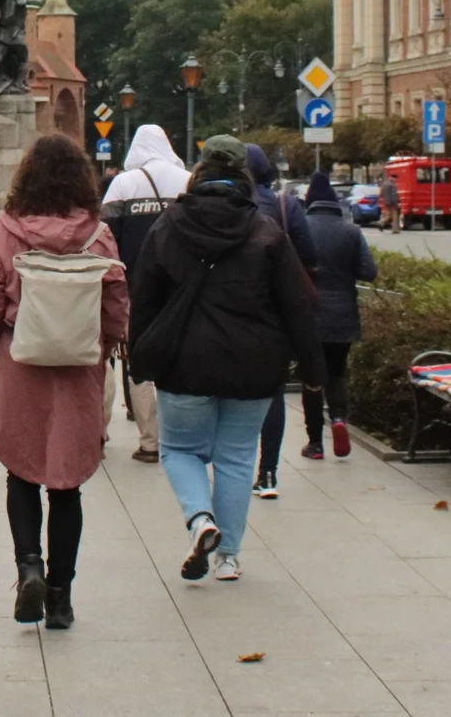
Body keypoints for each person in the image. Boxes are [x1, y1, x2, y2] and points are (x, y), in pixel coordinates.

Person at [128, 135, 325, 584]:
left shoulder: (167, 227)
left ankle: (200, 521)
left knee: (180, 450)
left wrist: (140, 361)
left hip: (184, 361)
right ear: (244, 175)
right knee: (236, 459)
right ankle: (229, 559)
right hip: (254, 364)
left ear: (199, 170)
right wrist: (314, 372)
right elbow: (299, 305)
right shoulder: (266, 231)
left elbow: (144, 300)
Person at [0, 134, 129, 630]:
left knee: (22, 471)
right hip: (77, 366)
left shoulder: (3, 232)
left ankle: (28, 568)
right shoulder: (97, 236)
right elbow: (117, 303)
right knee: (67, 485)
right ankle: (60, 597)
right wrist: (104, 348)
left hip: (21, 361)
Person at [101, 125, 192, 464]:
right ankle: (180, 436)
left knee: (137, 362)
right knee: (177, 359)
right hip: (182, 288)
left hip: (135, 288)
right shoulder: (186, 180)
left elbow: (106, 239)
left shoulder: (123, 184)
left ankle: (149, 442)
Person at [247, 144, 316, 499]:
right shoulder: (287, 206)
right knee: (272, 392)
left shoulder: (228, 208)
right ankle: (269, 472)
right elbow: (309, 256)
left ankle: (234, 468)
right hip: (276, 315)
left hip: (234, 311)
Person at [299, 173, 376, 461]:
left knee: (311, 378)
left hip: (309, 316)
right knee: (337, 371)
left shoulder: (301, 229)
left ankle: (315, 443)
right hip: (343, 315)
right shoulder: (351, 231)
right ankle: (340, 419)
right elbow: (369, 272)